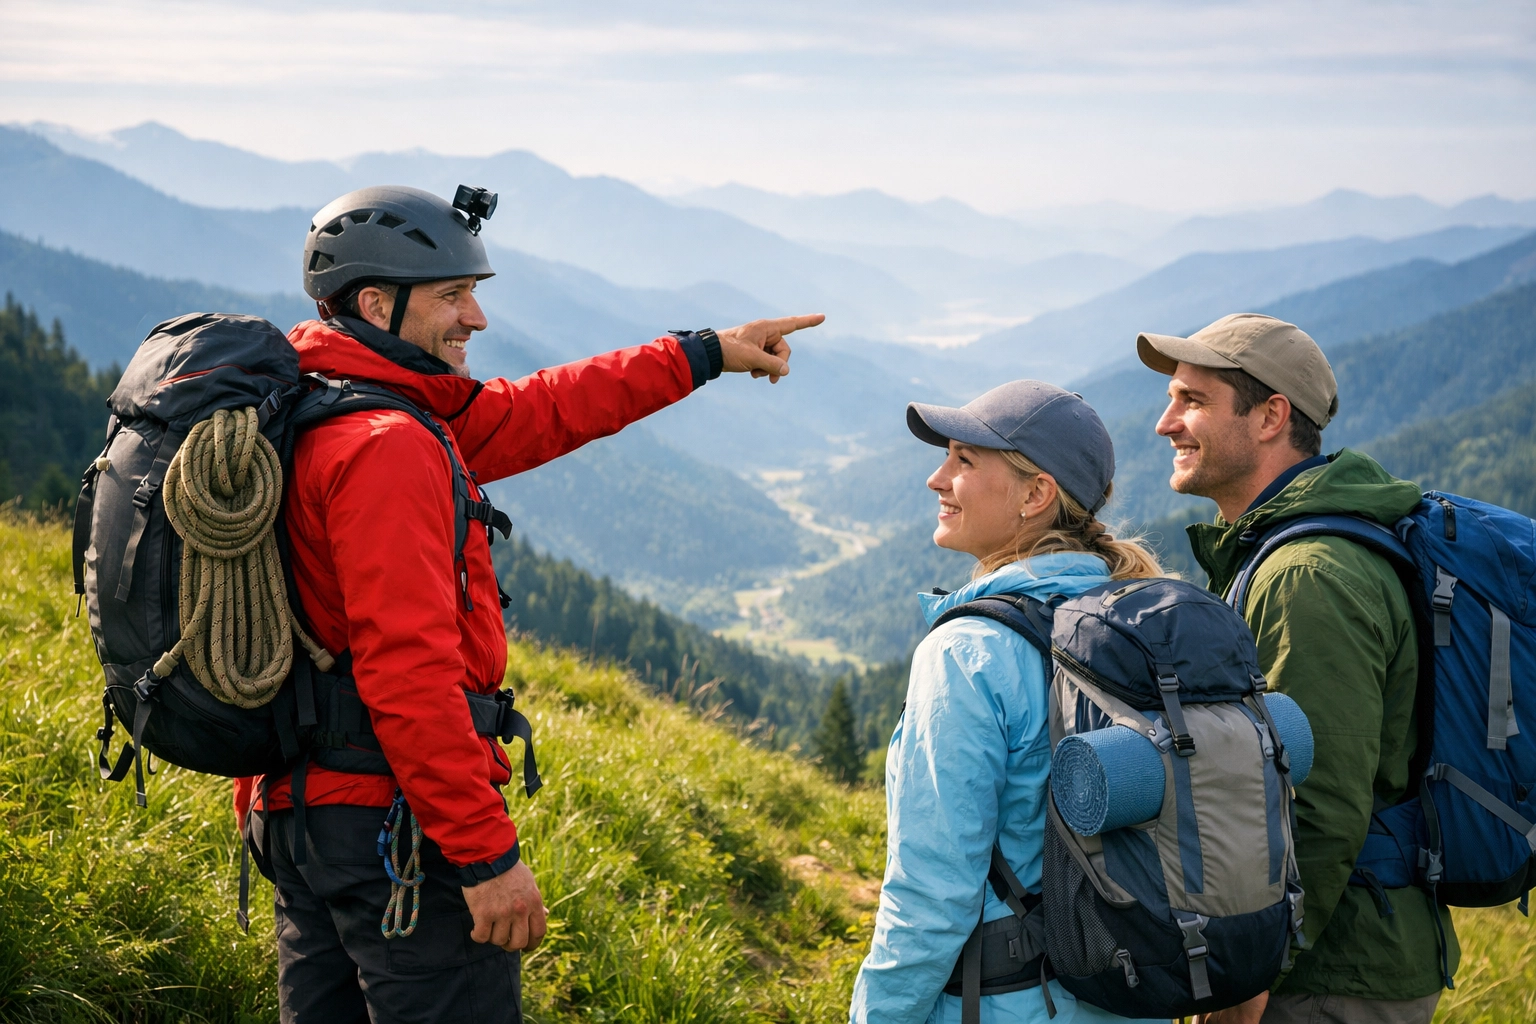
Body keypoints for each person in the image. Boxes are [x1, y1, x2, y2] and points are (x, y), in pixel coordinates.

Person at [232, 184, 822, 1023]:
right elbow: (407, 675)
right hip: (391, 828)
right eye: (452, 296)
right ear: (375, 303)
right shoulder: (387, 448)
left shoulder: (330, 405)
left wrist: (706, 352)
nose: (475, 318)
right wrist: (483, 857)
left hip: (299, 813)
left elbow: (547, 407)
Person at [1139, 313, 1457, 1024]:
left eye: (1191, 400)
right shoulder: (1283, 551)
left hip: (1330, 977)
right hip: (1332, 961)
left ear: (1271, 416)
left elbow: (1313, 805)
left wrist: (1245, 988)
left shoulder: (1307, 576)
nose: (1166, 424)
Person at [849, 380, 1166, 1024]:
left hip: (1009, 1004)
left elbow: (931, 896)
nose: (937, 479)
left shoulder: (970, 653)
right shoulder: (1140, 620)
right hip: (1132, 992)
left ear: (1036, 494)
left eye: (965, 461)